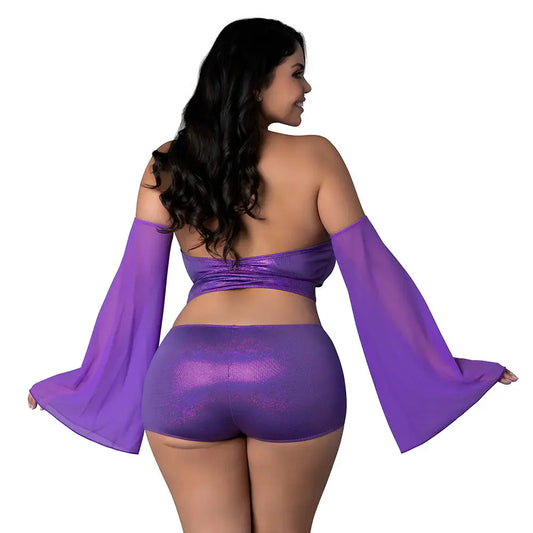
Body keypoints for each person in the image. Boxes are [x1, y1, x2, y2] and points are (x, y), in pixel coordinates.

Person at [27, 17, 518, 533]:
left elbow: (135, 288)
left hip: (185, 374)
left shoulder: (169, 164)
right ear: (256, 79)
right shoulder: (316, 157)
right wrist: (446, 371)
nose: (307, 87)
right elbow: (373, 274)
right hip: (291, 369)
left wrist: (84, 383)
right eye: (297, 72)